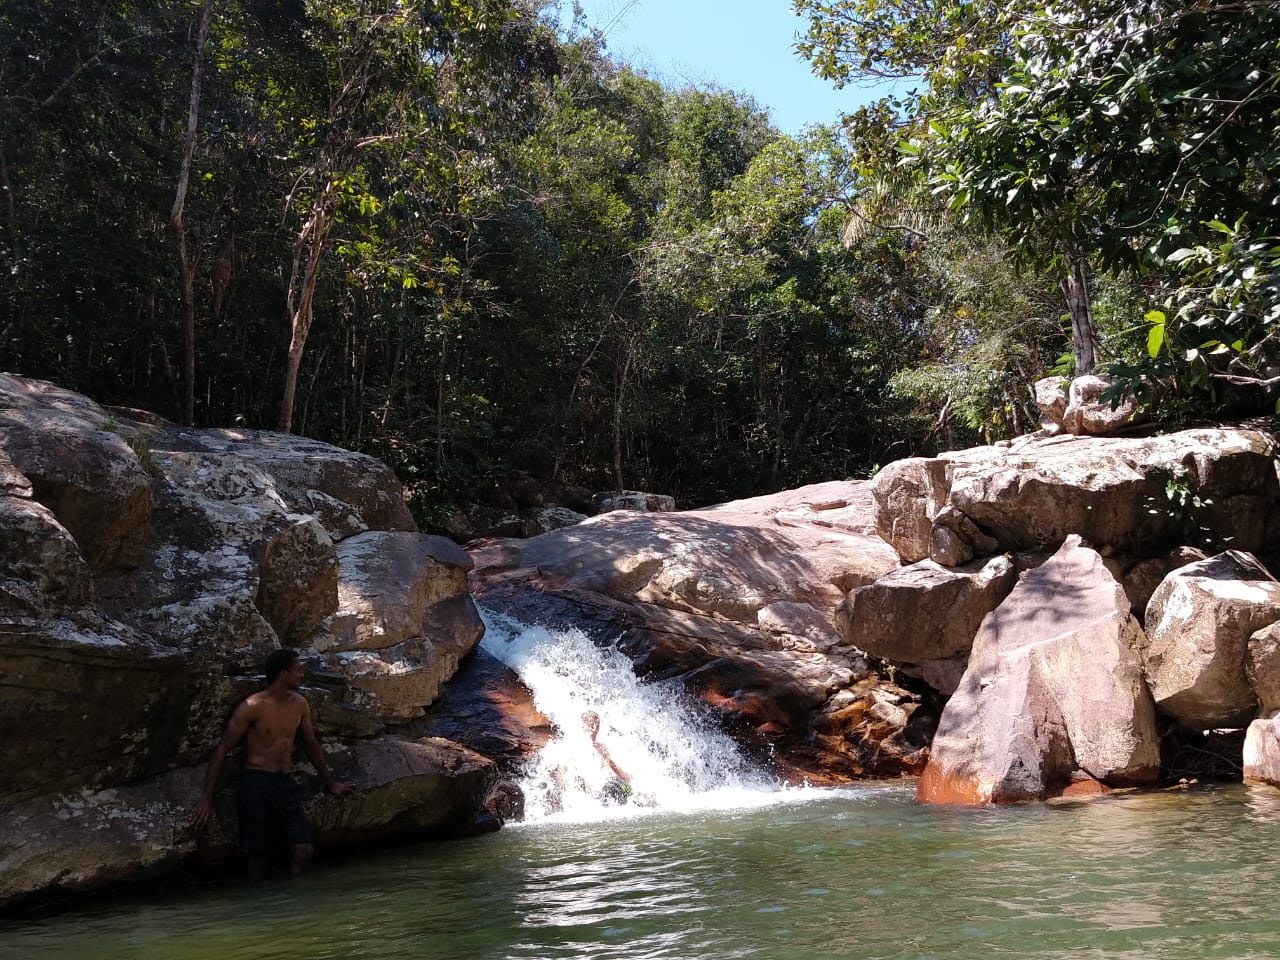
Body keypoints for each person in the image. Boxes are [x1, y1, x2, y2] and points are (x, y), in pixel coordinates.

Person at [190, 648, 352, 879]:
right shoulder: (253, 706)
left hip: (286, 783)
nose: (301, 675)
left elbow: (311, 745)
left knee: (304, 849)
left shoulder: (300, 704)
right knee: (258, 856)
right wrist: (205, 799)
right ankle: (259, 906)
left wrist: (332, 783)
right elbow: (222, 750)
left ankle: (298, 903)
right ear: (283, 672)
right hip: (257, 784)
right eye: (298, 670)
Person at [582, 711, 632, 804]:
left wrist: (626, 777)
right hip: (595, 788)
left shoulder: (600, 746)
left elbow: (611, 765)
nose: (594, 729)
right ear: (583, 726)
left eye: (597, 726)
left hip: (609, 782)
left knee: (628, 790)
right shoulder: (579, 745)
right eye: (591, 725)